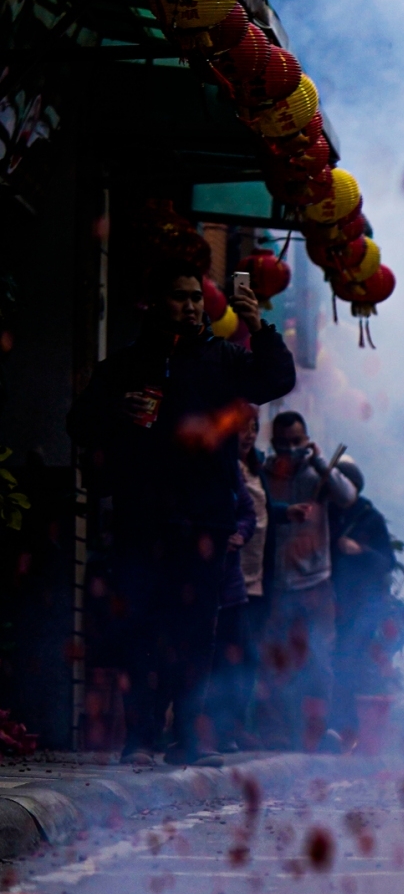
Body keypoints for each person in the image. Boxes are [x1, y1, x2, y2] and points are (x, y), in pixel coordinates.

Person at [69, 267, 294, 759]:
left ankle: (187, 737)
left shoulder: (224, 358)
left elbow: (277, 378)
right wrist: (116, 411)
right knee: (141, 628)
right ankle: (140, 737)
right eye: (179, 297)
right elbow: (79, 423)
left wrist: (260, 327)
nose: (190, 307)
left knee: (194, 632)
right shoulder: (125, 366)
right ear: (155, 303)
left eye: (197, 298)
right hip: (141, 518)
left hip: (206, 520)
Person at [259, 411, 357, 751]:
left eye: (296, 441)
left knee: (319, 659)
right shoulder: (266, 473)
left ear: (307, 439)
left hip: (315, 581)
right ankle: (280, 732)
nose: (290, 448)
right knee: (277, 660)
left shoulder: (319, 471)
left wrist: (317, 460)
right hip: (275, 581)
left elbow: (347, 496)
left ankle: (322, 731)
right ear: (273, 444)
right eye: (283, 443)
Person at [207, 408, 272, 751]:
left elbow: (248, 513)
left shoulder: (237, 469)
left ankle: (226, 729)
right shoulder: (202, 465)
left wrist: (238, 535)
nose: (247, 435)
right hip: (200, 580)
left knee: (242, 656)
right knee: (206, 659)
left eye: (252, 429)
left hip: (233, 581)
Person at [329, 457, 402, 750]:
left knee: (349, 662)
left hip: (361, 605)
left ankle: (348, 728)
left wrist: (361, 550)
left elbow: (387, 561)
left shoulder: (370, 517)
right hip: (328, 599)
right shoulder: (327, 514)